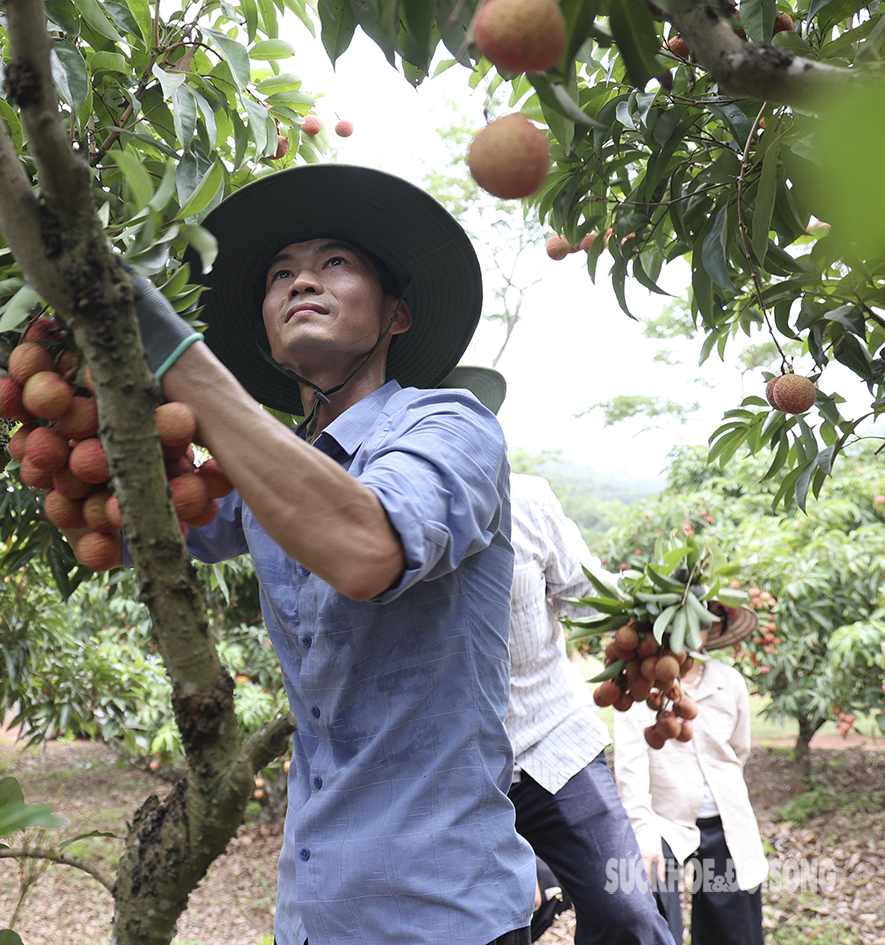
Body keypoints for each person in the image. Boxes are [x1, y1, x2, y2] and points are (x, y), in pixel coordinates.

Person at [105, 164, 537, 944]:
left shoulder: (452, 426)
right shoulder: (257, 470)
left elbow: (365, 546)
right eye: (279, 274)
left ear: (396, 313)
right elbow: (134, 525)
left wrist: (178, 357)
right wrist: (81, 402)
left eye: (333, 262)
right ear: (266, 334)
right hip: (313, 910)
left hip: (441, 910)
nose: (301, 279)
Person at [437, 368, 675, 945]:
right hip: (450, 776)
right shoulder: (380, 527)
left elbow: (592, 597)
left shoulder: (531, 499)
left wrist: (662, 605)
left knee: (631, 920)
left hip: (554, 746)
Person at [611, 609, 767, 945]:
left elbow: (738, 751)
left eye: (704, 621)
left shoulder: (729, 682)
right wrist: (642, 831)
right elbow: (630, 771)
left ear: (716, 627)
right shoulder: (641, 689)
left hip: (726, 818)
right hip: (664, 822)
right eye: (687, 619)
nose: (695, 629)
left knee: (734, 926)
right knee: (654, 911)